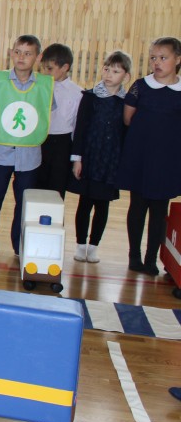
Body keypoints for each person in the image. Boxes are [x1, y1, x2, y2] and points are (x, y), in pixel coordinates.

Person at [0, 35, 53, 260]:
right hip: (0, 151)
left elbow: (47, 111)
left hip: (30, 155)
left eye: (28, 53)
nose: (21, 57)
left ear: (38, 57)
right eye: (18, 52)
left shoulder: (44, 84)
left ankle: (20, 244)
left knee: (25, 202)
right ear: (11, 53)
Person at [117, 37, 181, 275]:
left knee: (159, 210)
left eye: (163, 58)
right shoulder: (140, 86)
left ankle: (151, 258)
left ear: (177, 59)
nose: (157, 62)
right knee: (137, 206)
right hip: (140, 156)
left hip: (167, 160)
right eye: (153, 58)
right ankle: (134, 256)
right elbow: (127, 118)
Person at [69, 50, 131, 264]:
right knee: (85, 203)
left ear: (126, 76)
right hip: (90, 157)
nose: (109, 74)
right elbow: (80, 128)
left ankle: (94, 246)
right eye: (107, 69)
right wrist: (77, 159)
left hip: (111, 161)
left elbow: (126, 133)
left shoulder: (127, 102)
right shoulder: (90, 97)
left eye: (115, 71)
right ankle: (80, 244)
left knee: (103, 205)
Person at [38, 43, 83, 198]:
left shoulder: (77, 93)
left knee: (57, 187)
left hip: (63, 144)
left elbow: (77, 126)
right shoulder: (38, 87)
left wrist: (77, 157)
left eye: (49, 68)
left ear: (65, 67)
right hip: (40, 140)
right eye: (43, 68)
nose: (45, 72)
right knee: (37, 185)